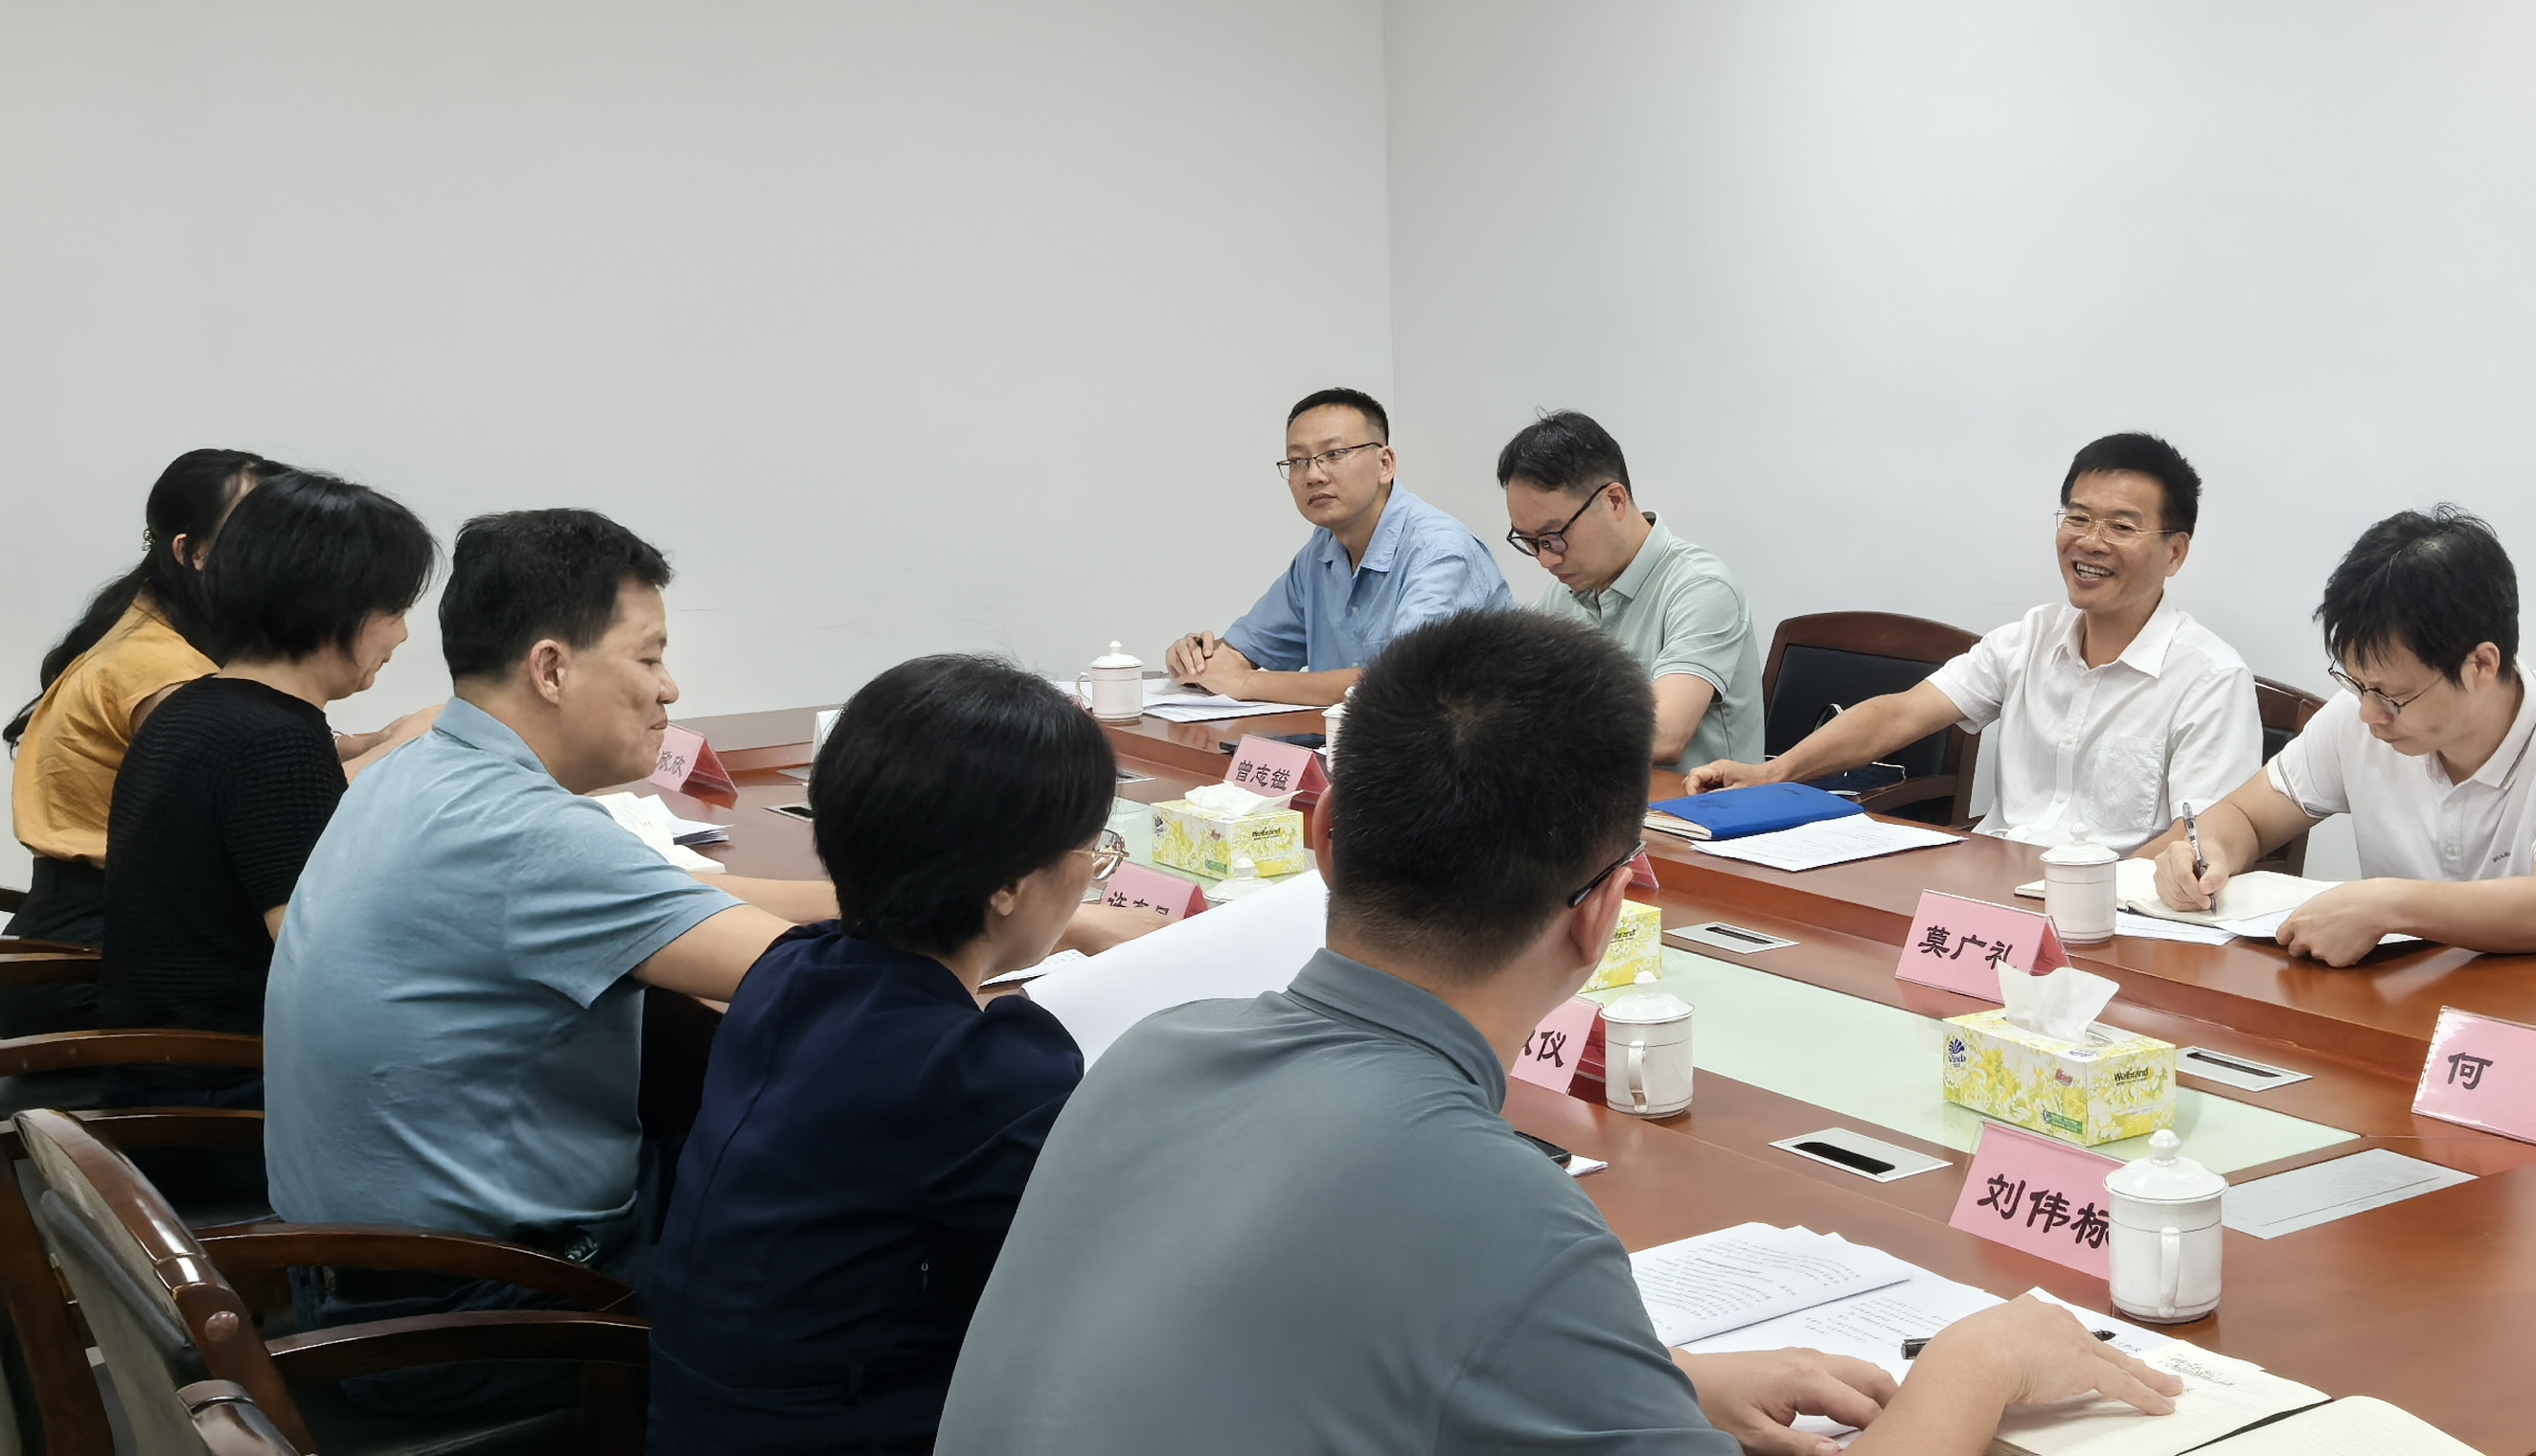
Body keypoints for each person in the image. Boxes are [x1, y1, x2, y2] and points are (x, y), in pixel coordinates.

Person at [941, 610, 2181, 1454]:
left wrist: (1655, 1389)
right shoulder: (1496, 1209)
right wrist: (1978, 1365)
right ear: (1606, 908)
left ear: (1322, 841)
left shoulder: (1154, 1054)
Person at [263, 509, 848, 1416]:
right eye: (650, 657)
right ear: (551, 668)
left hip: (355, 1279)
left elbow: (682, 897)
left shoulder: (419, 767)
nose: (670, 688)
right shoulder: (531, 837)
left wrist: (864, 899)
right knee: (845, 1290)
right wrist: (1017, 920)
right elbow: (820, 983)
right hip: (482, 1317)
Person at [646, 654, 1122, 1454]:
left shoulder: (790, 970)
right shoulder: (979, 1072)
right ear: (1008, 884)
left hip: (695, 1418)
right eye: (1091, 849)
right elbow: (1111, 1264)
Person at [2138, 507, 2536, 964]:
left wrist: (2385, 905)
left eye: (2392, 695)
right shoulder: (2362, 718)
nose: (2370, 714)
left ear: (2481, 665)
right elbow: (2247, 816)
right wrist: (2205, 849)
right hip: (2420, 1002)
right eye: (2355, 684)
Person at [1683, 434, 2257, 853]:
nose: (2091, 541)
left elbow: (2200, 839)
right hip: (1992, 886)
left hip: (2115, 911)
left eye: (2122, 527)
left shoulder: (2209, 678)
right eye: (2078, 518)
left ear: (2175, 553)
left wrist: (2085, 895)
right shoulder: (2031, 638)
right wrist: (1772, 774)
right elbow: (1900, 715)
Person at [99, 467, 438, 1093]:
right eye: (393, 610)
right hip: (225, 1095)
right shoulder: (276, 742)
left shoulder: (195, 705)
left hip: (160, 1075)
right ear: (331, 606)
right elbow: (323, 960)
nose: (402, 634)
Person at [1165, 388, 1512, 709]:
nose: (1313, 475)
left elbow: (1402, 682)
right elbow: (1239, 654)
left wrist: (1245, 682)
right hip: (1351, 746)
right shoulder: (1322, 550)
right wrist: (1195, 659)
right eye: (1297, 461)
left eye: (1334, 454)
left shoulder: (1438, 549)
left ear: (1385, 464)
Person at [1496, 410, 1762, 768]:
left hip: (1696, 802)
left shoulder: (1701, 588)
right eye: (1531, 542)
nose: (1546, 560)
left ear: (1614, 501)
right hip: (1599, 797)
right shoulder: (1564, 595)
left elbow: (1661, 734)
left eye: (1554, 537)